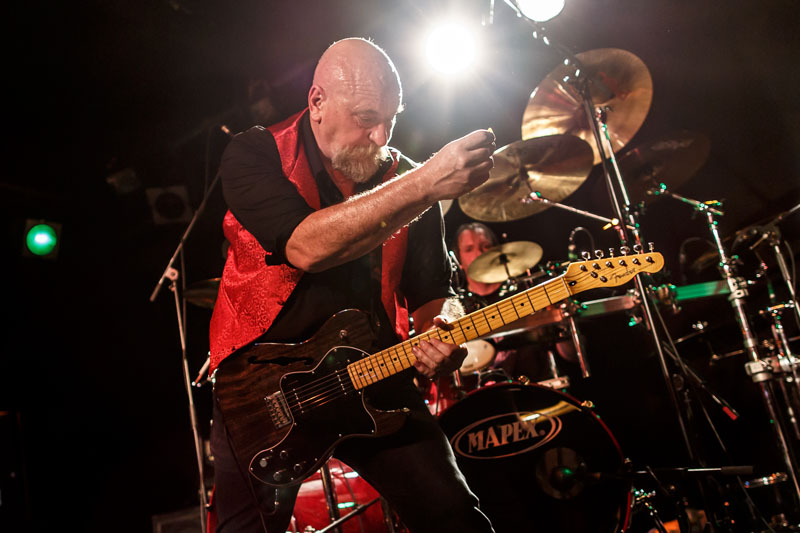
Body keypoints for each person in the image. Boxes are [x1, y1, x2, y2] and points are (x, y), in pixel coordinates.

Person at [207, 38, 496, 532]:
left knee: (455, 517)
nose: (380, 135)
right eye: (366, 117)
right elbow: (306, 247)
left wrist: (445, 327)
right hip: (261, 390)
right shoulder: (256, 152)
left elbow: (434, 291)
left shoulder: (409, 177)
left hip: (374, 376)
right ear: (317, 101)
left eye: (391, 119)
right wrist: (426, 183)